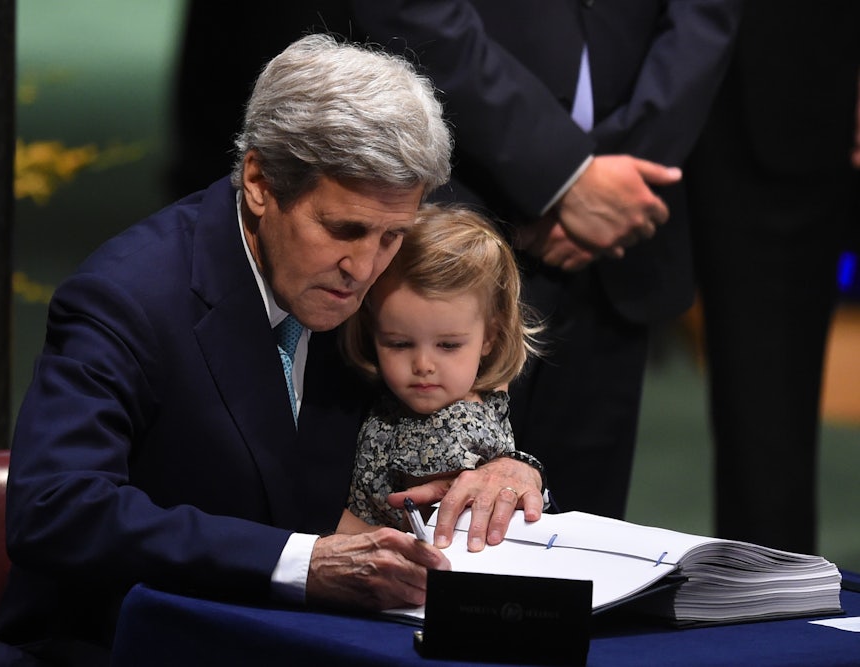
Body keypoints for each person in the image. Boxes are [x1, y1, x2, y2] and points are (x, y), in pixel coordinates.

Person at [0, 34, 547, 666]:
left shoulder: (367, 281)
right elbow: (52, 509)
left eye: (392, 236)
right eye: (344, 230)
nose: (363, 269)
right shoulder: (127, 297)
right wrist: (304, 562)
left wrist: (503, 465)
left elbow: (444, 383)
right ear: (258, 181)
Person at [349, 0, 743, 519]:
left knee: (586, 554)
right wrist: (565, 174)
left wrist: (610, 191)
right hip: (454, 208)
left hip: (618, 246)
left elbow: (703, 18)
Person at [684, 0, 860, 554]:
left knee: (771, 406)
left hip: (794, 77)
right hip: (593, 76)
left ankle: (771, 610)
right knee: (566, 375)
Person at [335, 204, 545, 538]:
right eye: (399, 344)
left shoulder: (450, 430)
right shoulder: (419, 398)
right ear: (370, 332)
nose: (423, 365)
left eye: (448, 346)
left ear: (490, 337)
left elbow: (430, 542)